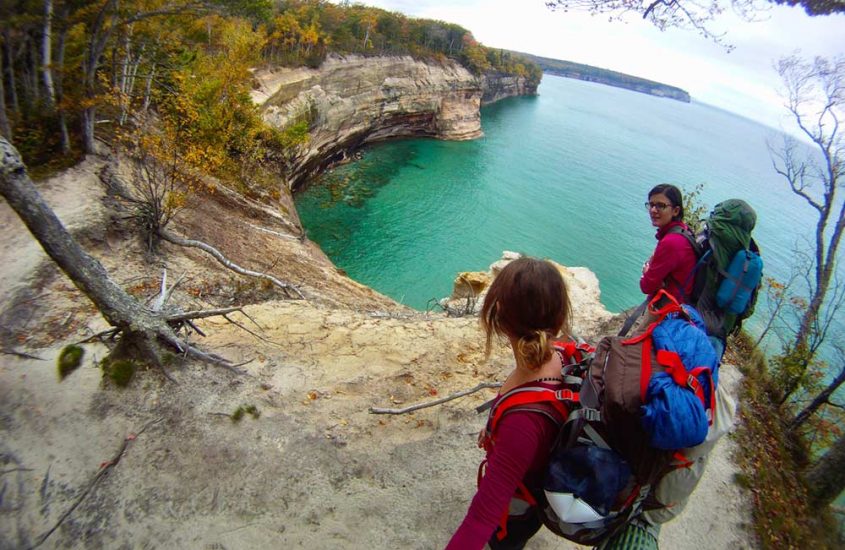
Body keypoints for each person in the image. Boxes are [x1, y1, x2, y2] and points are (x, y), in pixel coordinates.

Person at [446, 257, 572, 550]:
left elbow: (480, 519)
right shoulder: (562, 355)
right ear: (558, 317)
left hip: (522, 502)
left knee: (505, 542)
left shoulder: (523, 424)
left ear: (499, 316)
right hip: (537, 474)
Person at [640, 184, 697, 304]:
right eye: (651, 204)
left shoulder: (672, 242)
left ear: (676, 211)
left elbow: (646, 286)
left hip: (671, 310)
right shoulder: (683, 231)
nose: (653, 210)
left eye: (661, 206)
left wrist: (647, 272)